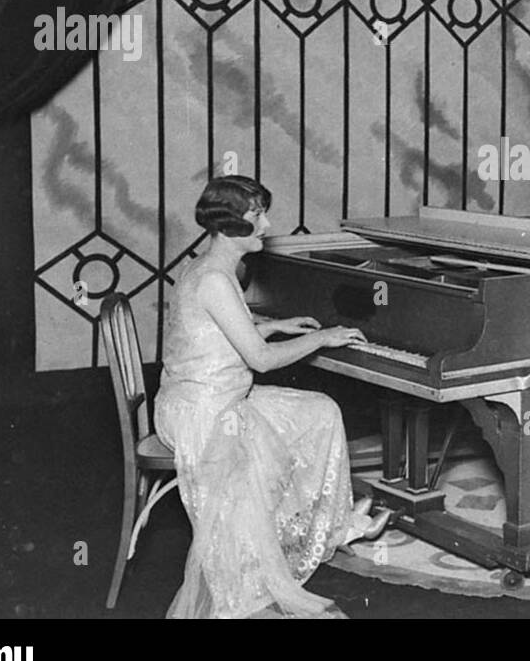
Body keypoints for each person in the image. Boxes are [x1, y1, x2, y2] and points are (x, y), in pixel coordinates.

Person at [154, 175, 390, 618]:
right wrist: (324, 337)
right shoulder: (214, 279)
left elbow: (214, 336)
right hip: (202, 412)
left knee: (320, 411)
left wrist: (273, 326)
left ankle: (335, 527)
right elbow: (260, 360)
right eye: (257, 215)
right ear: (231, 226)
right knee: (256, 460)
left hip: (217, 396)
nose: (267, 224)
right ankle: (256, 579)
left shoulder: (210, 267)